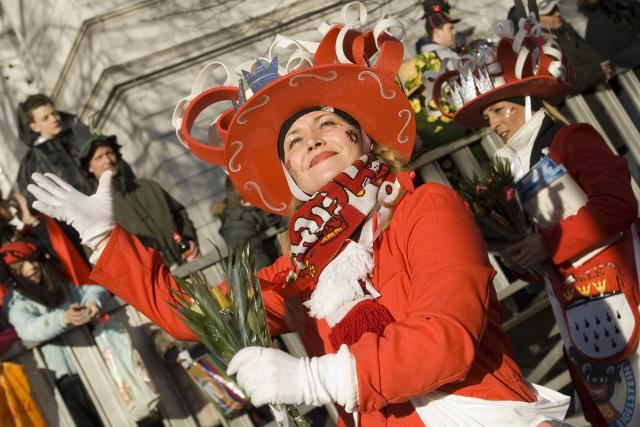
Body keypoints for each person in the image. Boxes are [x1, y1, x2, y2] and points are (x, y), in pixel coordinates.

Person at [27, 13, 570, 426]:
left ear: (361, 138)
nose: (311, 138)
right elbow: (198, 317)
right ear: (292, 177)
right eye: (294, 140)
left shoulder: (424, 208)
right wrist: (104, 239)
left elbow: (445, 341)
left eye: (328, 124)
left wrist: (313, 377)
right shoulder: (306, 268)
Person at [432, 10, 640, 426]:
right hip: (577, 311)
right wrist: (522, 258)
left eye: (499, 111)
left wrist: (545, 243)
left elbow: (618, 205)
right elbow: (546, 264)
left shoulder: (571, 139)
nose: (492, 125)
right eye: (488, 117)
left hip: (625, 288)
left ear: (527, 103)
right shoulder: (514, 171)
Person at [1, 241, 107, 426]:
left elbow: (93, 290)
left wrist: (92, 301)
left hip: (92, 362)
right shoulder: (15, 302)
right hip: (62, 378)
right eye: (23, 263)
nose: (32, 267)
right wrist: (63, 318)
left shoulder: (57, 287)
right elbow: (27, 329)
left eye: (33, 261)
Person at [79, 133, 199, 267]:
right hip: (150, 283)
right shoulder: (94, 211)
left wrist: (189, 239)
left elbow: (180, 215)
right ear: (89, 168)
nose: (108, 160)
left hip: (187, 269)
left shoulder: (149, 186)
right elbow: (100, 261)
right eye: (99, 158)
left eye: (109, 153)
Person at [507, 0, 612, 95]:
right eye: (549, 13)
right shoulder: (537, 51)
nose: (557, 14)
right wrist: (597, 71)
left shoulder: (566, 32)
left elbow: (597, 55)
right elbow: (558, 81)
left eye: (556, 8)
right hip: (582, 109)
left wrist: (604, 67)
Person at [212, 176, 287, 269]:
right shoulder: (236, 223)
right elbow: (255, 258)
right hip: (266, 274)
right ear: (243, 201)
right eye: (253, 195)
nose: (258, 197)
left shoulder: (263, 207)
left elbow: (289, 217)